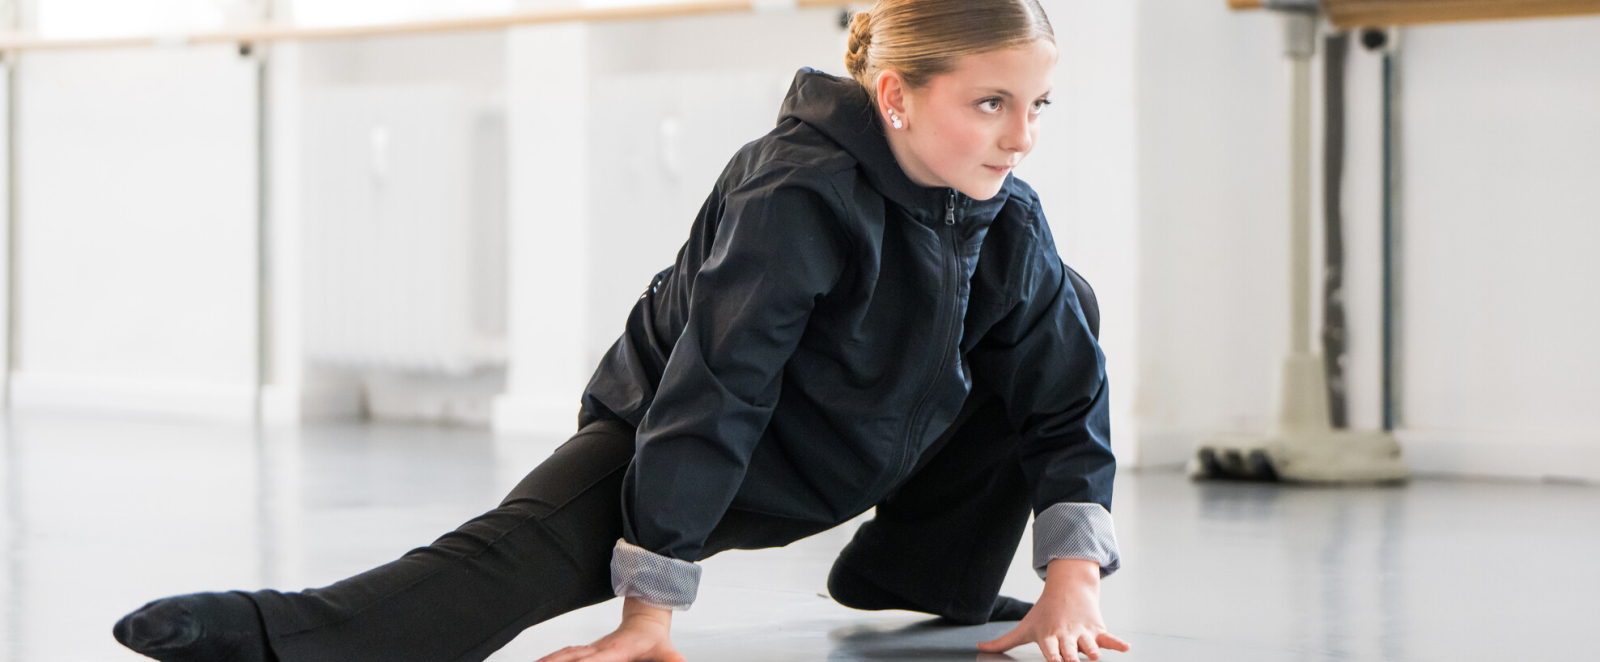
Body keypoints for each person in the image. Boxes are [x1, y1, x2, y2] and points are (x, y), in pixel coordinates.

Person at [110, 1, 1130, 662]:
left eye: (1037, 102)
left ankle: (916, 570)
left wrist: (1069, 582)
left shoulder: (1006, 216)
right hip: (691, 449)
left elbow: (1063, 395)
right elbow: (716, 389)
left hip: (865, 450)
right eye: (991, 102)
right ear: (897, 96)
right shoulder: (797, 192)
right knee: (491, 569)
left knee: (1062, 306)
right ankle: (276, 631)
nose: (1022, 133)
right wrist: (649, 608)